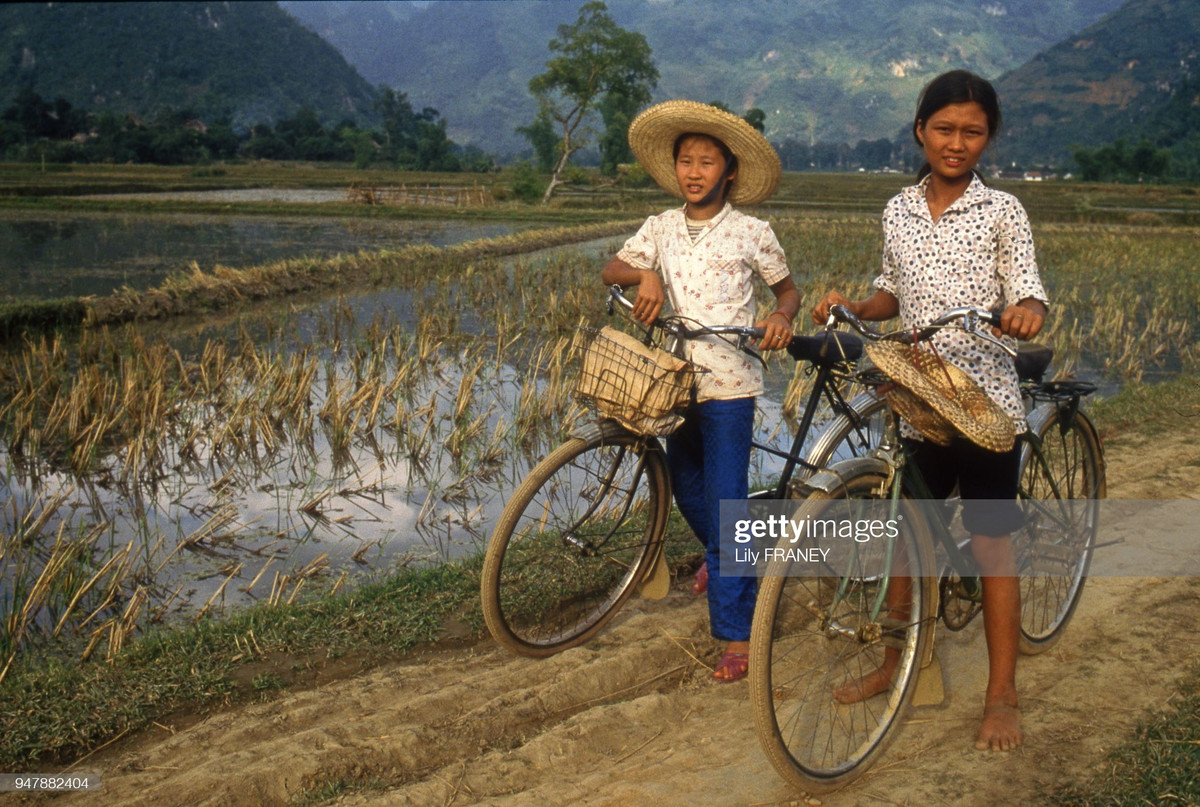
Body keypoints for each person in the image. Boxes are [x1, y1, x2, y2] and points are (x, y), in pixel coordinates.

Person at [811, 70, 1048, 751]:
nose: (956, 141)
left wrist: (1026, 312)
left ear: (988, 138)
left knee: (993, 541)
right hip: (918, 395)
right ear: (920, 130)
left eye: (972, 131)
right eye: (944, 128)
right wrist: (855, 305)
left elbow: (1027, 290)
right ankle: (896, 659)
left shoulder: (1004, 211)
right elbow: (892, 290)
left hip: (982, 403)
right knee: (904, 533)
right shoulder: (897, 209)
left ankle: (1001, 693)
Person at [601, 100, 801, 683]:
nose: (693, 172)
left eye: (706, 162)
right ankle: (730, 560)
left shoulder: (752, 232)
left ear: (729, 171)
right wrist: (646, 274)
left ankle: (738, 635)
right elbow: (611, 268)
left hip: (731, 386)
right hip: (673, 380)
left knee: (727, 504)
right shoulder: (660, 228)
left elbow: (786, 292)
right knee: (686, 484)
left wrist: (782, 319)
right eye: (685, 161)